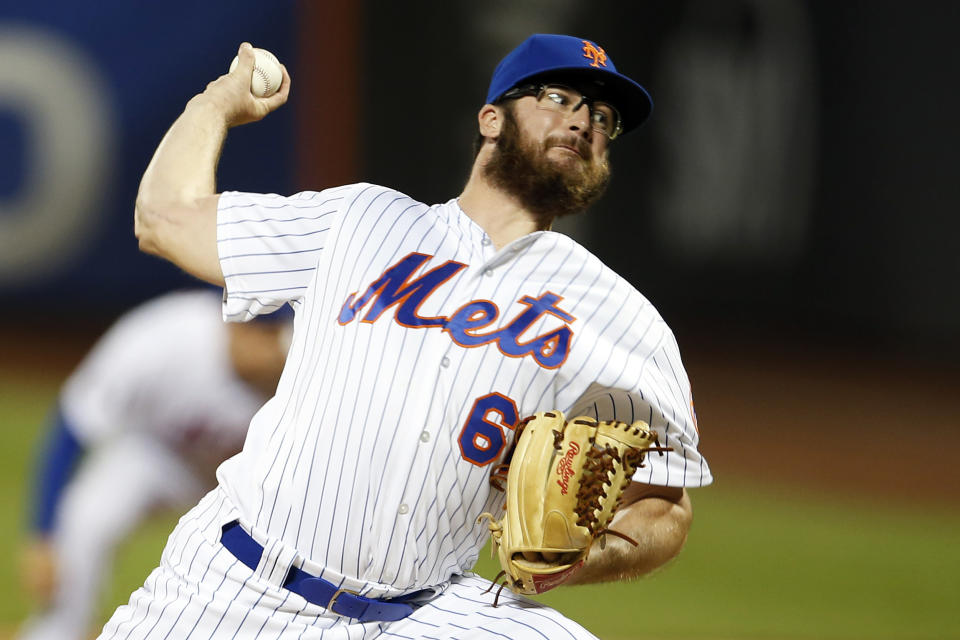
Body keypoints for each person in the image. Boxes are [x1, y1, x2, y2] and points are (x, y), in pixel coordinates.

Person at [98, 33, 713, 640]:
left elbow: (666, 507)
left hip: (422, 611)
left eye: (604, 117)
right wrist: (215, 103)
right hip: (236, 588)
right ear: (492, 118)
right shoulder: (360, 220)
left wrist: (580, 559)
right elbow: (165, 219)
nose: (585, 123)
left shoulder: (620, 318)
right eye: (558, 97)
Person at [17, 289, 290, 640]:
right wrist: (43, 534)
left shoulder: (301, 366)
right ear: (231, 323)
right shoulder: (164, 340)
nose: (268, 349)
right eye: (258, 332)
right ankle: (55, 631)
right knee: (87, 517)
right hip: (157, 455)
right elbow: (75, 423)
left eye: (275, 335)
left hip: (242, 479)